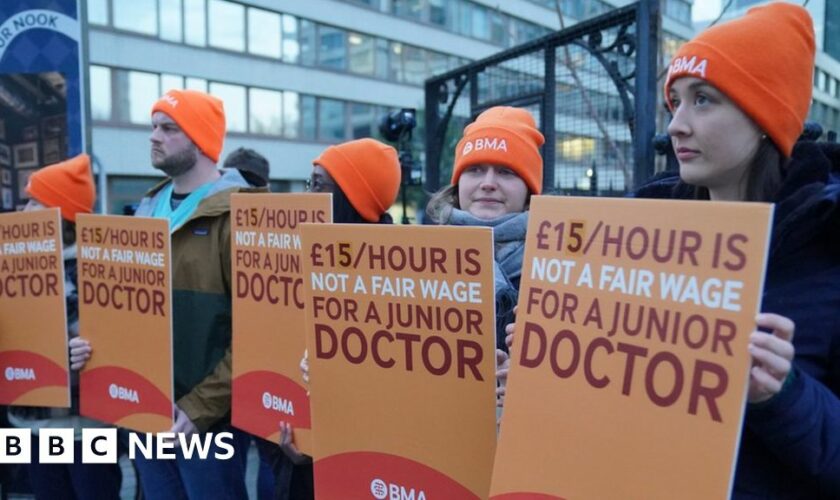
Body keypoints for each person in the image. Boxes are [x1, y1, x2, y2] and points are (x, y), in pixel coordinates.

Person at [504, 4, 840, 498]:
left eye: (703, 100)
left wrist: (783, 393)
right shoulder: (636, 239)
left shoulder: (826, 249)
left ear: (765, 113)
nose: (676, 125)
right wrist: (548, 370)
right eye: (675, 103)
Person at [71, 89, 259, 499]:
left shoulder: (240, 216)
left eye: (169, 128)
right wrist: (93, 348)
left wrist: (201, 408)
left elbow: (259, 336)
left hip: (208, 422)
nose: (154, 136)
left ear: (201, 140)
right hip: (144, 410)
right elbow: (125, 313)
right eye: (153, 126)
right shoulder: (145, 209)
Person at [271, 138, 401, 500]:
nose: (308, 195)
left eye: (319, 185)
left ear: (351, 197)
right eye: (308, 183)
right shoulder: (299, 256)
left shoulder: (399, 275)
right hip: (304, 463)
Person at [8, 154, 123, 499]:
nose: (22, 209)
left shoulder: (99, 267)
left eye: (33, 201)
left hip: (87, 426)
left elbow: (124, 340)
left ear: (59, 214)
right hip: (30, 422)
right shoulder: (12, 264)